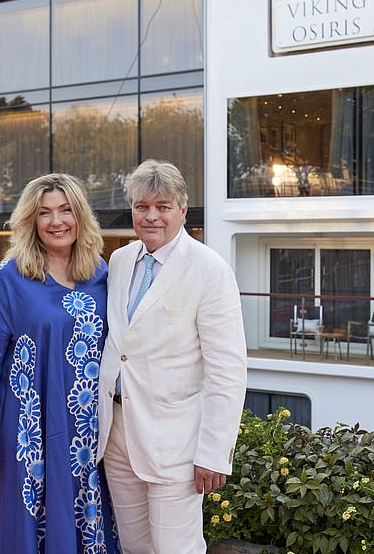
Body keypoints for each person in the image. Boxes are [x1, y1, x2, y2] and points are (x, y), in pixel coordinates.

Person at [0, 173, 120, 554]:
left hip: (88, 431)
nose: (57, 221)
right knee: (25, 527)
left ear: (80, 217)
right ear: (31, 221)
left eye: (65, 210)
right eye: (45, 213)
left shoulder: (103, 275)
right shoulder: (7, 280)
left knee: (87, 522)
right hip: (28, 428)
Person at [97, 160, 248, 554]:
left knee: (176, 548)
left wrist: (215, 454)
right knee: (132, 545)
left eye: (163, 206)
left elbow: (227, 370)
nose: (151, 216)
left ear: (182, 210)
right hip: (115, 432)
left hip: (175, 441)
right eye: (142, 206)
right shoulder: (119, 260)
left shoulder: (209, 269)